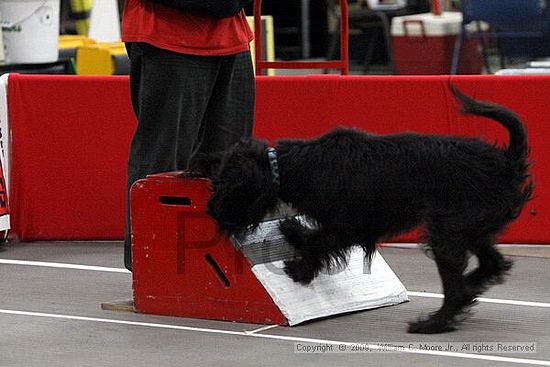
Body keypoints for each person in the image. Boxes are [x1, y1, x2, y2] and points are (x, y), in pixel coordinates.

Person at [121, 0, 255, 271]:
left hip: (231, 35)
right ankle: (151, 264)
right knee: (162, 160)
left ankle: (213, 264)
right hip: (167, 37)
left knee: (231, 160)